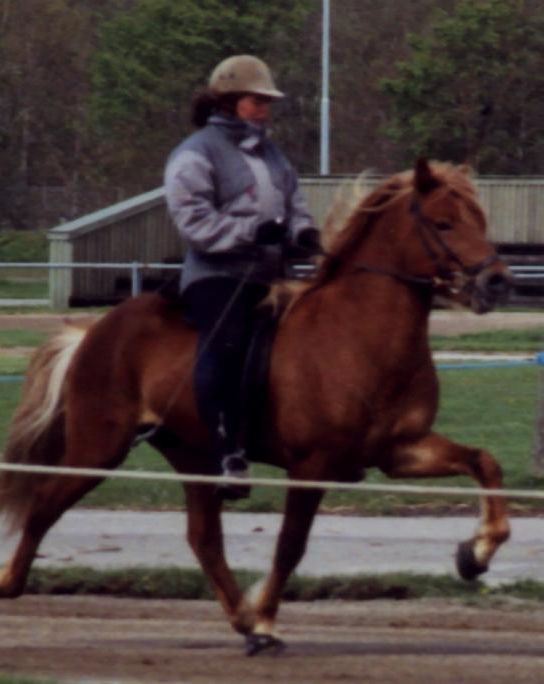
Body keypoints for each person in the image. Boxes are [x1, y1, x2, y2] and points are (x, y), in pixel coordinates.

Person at [164, 55, 320, 499]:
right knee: (229, 342)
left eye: (267, 101)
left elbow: (296, 203)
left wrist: (302, 232)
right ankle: (225, 449)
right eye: (257, 100)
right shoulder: (194, 153)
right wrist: (251, 233)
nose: (265, 108)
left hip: (272, 276)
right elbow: (194, 223)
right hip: (216, 275)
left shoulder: (273, 154)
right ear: (229, 101)